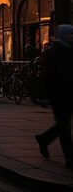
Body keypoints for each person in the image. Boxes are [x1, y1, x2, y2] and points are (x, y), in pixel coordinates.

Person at [35, 25, 73, 169]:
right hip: (58, 95)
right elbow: (46, 77)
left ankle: (44, 139)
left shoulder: (69, 50)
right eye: (69, 34)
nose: (72, 37)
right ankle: (70, 159)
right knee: (64, 127)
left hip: (69, 94)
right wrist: (44, 96)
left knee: (64, 125)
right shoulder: (53, 53)